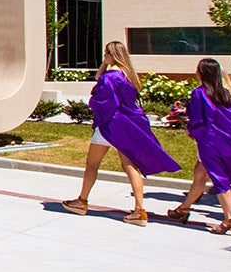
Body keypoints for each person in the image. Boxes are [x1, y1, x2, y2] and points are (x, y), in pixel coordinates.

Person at [61, 41, 180, 226]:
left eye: (105, 54)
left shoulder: (110, 77)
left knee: (92, 164)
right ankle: (139, 209)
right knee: (130, 166)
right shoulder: (128, 75)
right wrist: (105, 65)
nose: (104, 57)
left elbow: (101, 99)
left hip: (109, 126)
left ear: (111, 54)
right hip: (126, 127)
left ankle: (81, 201)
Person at [163, 58, 231, 235]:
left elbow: (199, 120)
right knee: (200, 175)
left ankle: (229, 218)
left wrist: (191, 129)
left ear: (201, 73)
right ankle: (183, 209)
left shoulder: (199, 93)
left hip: (209, 142)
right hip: (226, 140)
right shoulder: (223, 93)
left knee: (219, 178)